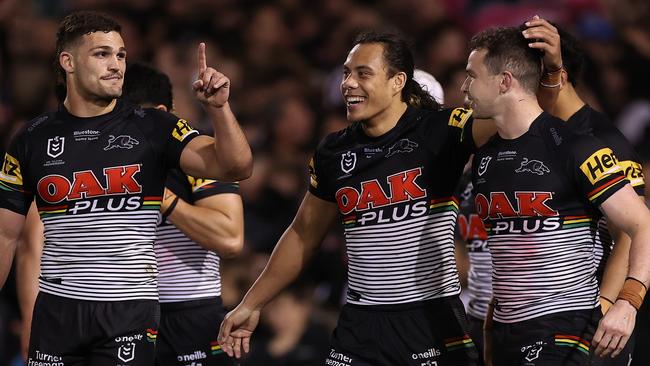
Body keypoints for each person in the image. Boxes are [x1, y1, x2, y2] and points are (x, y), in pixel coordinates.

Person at [219, 23, 561, 365]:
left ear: (398, 81)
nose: (348, 83)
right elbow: (303, 234)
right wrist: (252, 302)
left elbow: (523, 110)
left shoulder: (444, 130)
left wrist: (551, 70)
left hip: (430, 320)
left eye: (363, 73)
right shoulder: (333, 152)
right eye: (346, 73)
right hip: (360, 325)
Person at [0, 10, 252, 365]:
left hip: (129, 310)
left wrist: (220, 110)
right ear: (67, 62)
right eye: (102, 54)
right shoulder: (31, 138)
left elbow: (236, 167)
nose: (116, 64)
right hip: (56, 311)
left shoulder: (155, 127)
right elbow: (8, 236)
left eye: (120, 54)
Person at [464, 26, 650, 365]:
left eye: (471, 77)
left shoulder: (587, 143)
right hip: (507, 328)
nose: (463, 88)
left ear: (507, 80)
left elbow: (637, 226)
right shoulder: (486, 157)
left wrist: (621, 303)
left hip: (572, 323)